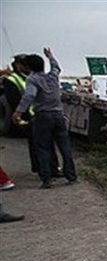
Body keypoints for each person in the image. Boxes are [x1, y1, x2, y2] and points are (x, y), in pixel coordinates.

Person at [13, 48, 77, 188]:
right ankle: (71, 175)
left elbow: (29, 95)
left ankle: (46, 179)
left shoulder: (32, 79)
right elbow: (56, 67)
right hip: (58, 115)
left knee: (43, 147)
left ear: (29, 67)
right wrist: (50, 56)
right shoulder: (53, 77)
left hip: (42, 116)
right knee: (65, 147)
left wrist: (18, 112)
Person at [2, 55, 59, 175]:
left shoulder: (32, 77)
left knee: (45, 144)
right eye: (25, 64)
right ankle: (44, 170)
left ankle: (49, 168)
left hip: (40, 115)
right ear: (18, 65)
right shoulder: (12, 80)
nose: (28, 66)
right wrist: (22, 116)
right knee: (38, 145)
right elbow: (15, 101)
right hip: (30, 117)